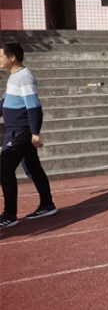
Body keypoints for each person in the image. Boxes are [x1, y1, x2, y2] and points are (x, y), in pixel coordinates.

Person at [0, 42, 57, 229]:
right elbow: (5, 102)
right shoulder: (15, 76)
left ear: (12, 57)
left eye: (1, 56)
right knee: (32, 167)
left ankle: (9, 215)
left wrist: (35, 133)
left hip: (20, 131)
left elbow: (34, 107)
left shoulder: (24, 77)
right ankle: (47, 204)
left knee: (3, 169)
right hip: (18, 130)